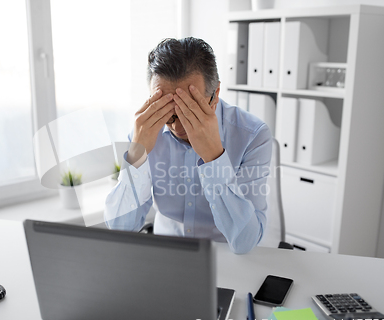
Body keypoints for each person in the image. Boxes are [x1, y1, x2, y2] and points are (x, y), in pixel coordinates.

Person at [104, 37, 272, 254]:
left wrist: (214, 157)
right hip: (167, 257)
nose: (179, 127)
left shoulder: (253, 136)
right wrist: (137, 154)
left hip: (227, 259)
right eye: (167, 112)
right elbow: (120, 228)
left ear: (215, 95)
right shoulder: (144, 131)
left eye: (190, 110)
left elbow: (245, 241)